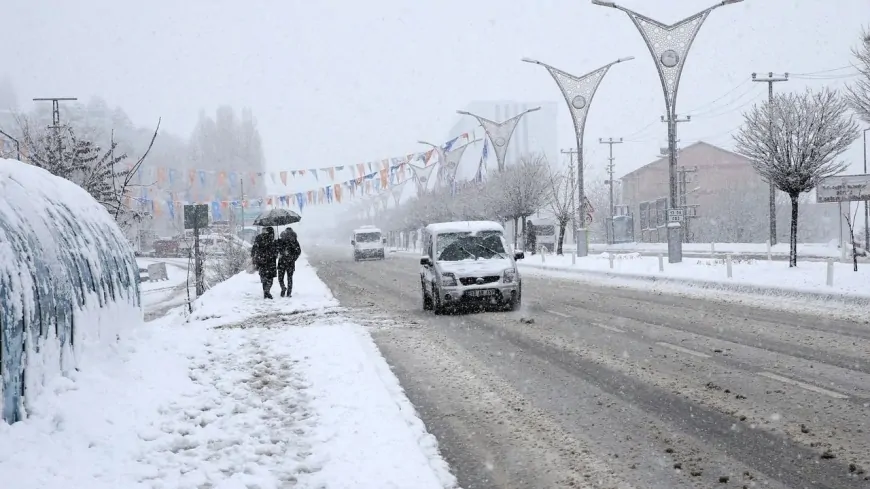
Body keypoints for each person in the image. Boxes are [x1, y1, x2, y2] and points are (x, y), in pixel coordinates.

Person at [251, 227, 278, 299]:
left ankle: (265, 292)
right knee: (270, 278)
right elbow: (275, 251)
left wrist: (254, 256)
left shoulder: (259, 238)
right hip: (270, 261)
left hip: (261, 261)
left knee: (264, 277)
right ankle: (267, 291)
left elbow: (254, 248)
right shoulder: (272, 240)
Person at [277, 227, 302, 297]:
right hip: (290, 262)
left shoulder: (282, 240)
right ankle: (288, 292)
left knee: (280, 278)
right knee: (289, 278)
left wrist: (280, 250)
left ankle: (283, 288)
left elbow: (277, 249)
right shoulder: (294, 241)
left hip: (282, 261)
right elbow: (298, 251)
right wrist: (293, 258)